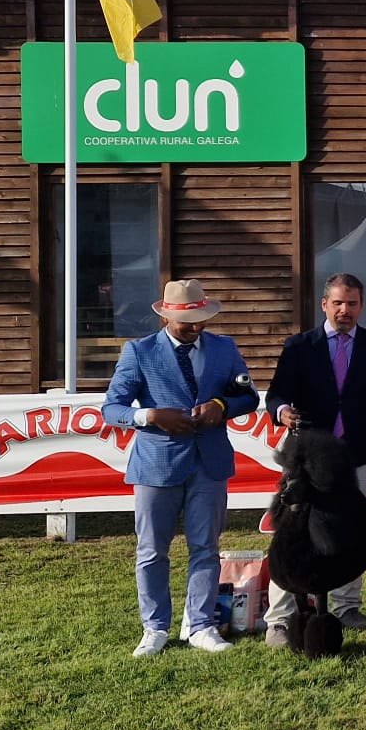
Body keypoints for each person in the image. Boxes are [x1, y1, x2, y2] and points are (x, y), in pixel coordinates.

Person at [262, 273, 366, 645]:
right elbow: (276, 394)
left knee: (352, 533)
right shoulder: (299, 346)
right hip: (308, 462)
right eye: (338, 303)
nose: (345, 310)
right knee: (293, 536)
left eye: (352, 303)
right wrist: (282, 411)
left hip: (360, 455)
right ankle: (280, 619)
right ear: (325, 304)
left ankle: (346, 607)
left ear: (361, 306)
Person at [103, 279, 260, 657]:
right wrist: (149, 416)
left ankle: (201, 625)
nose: (196, 326)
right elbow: (111, 408)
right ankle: (155, 628)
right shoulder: (139, 352)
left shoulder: (224, 347)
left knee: (206, 547)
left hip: (209, 461)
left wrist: (221, 406)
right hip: (156, 465)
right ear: (166, 317)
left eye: (201, 319)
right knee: (151, 551)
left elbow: (248, 396)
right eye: (187, 321)